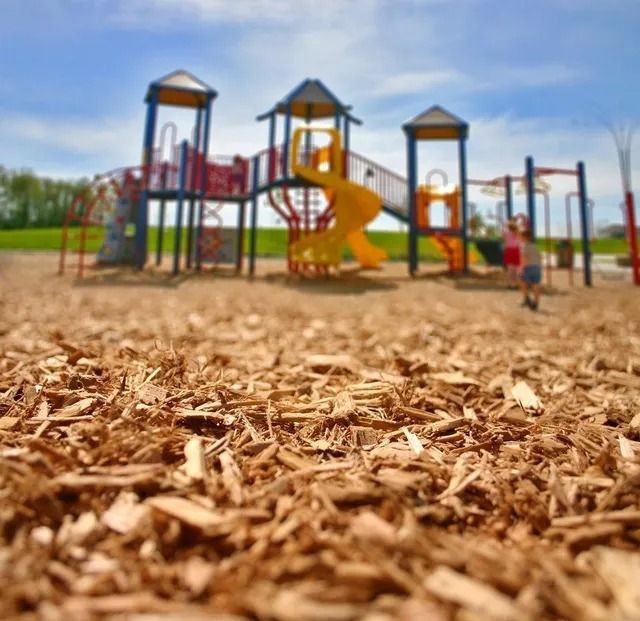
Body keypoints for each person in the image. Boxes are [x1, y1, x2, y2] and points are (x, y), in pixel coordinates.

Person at [519, 229, 542, 310]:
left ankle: (526, 299)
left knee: (522, 281)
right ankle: (536, 303)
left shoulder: (524, 246)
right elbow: (540, 256)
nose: (520, 238)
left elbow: (524, 258)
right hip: (537, 267)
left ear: (524, 237)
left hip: (528, 267)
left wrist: (521, 268)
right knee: (536, 285)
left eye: (520, 236)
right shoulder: (534, 245)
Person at [503, 218, 521, 289]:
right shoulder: (518, 232)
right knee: (517, 269)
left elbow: (505, 228)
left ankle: (510, 284)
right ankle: (516, 284)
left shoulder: (506, 232)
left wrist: (508, 223)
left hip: (509, 250)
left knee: (510, 268)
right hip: (517, 250)